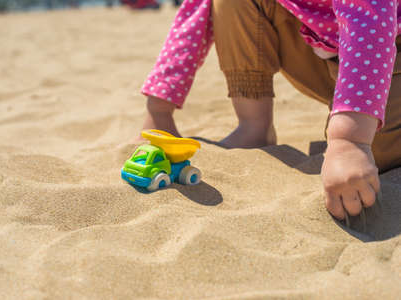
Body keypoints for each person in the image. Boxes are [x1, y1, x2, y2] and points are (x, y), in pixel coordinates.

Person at [140, 0, 401, 220]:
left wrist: (350, 142)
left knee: (375, 154)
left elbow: (370, 20)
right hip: (324, 47)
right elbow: (196, 9)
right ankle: (254, 125)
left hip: (386, 48)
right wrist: (159, 108)